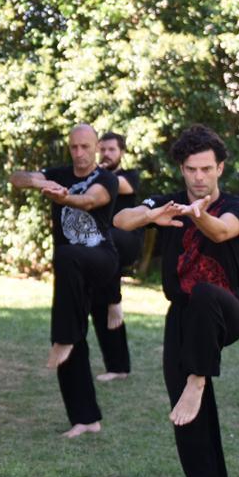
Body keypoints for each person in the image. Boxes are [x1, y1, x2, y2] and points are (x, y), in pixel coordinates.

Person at [114, 124, 239, 477]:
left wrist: (199, 216)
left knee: (205, 293)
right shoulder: (169, 203)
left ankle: (198, 378)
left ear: (220, 168)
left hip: (226, 311)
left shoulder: (237, 206)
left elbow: (222, 232)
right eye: (191, 169)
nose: (199, 177)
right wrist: (151, 215)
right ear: (182, 169)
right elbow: (121, 219)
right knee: (185, 409)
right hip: (184, 316)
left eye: (206, 169)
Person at [9, 124, 119, 439]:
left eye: (85, 147)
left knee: (66, 254)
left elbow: (90, 202)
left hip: (100, 260)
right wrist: (37, 181)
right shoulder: (58, 173)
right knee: (71, 339)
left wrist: (65, 196)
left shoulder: (106, 179)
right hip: (71, 271)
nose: (79, 153)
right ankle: (86, 419)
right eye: (74, 147)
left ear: (96, 147)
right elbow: (16, 178)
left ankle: (65, 337)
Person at [92, 132, 143, 381]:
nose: (106, 154)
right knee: (96, 301)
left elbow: (117, 185)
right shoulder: (95, 177)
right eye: (102, 149)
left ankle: (115, 299)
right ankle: (117, 367)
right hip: (101, 248)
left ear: (121, 152)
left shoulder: (129, 176)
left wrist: (93, 173)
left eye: (111, 149)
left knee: (106, 238)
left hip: (126, 239)